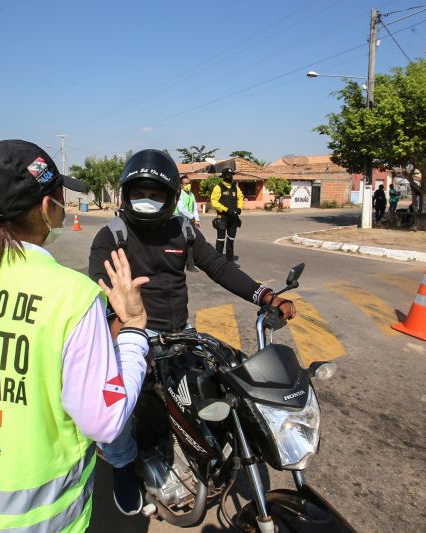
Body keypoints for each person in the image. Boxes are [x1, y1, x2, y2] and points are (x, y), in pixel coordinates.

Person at [0, 140, 150, 533]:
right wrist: (132, 330)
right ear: (47, 208)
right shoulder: (70, 296)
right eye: (60, 198)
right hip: (40, 520)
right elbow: (104, 422)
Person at [88, 149, 296, 516]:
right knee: (119, 406)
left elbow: (218, 266)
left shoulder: (183, 229)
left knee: (202, 392)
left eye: (156, 194)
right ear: (126, 194)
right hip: (133, 334)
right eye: (140, 193)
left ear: (170, 198)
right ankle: (122, 465)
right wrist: (120, 332)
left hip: (180, 332)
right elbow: (97, 291)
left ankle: (192, 454)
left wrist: (264, 295)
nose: (148, 201)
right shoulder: (112, 235)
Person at [210, 168, 244, 262]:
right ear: (224, 176)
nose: (231, 177)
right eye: (229, 175)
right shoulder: (218, 187)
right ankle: (218, 260)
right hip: (222, 217)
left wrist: (239, 208)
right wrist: (226, 209)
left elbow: (240, 197)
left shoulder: (235, 187)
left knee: (231, 239)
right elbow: (214, 202)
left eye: (232, 175)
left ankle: (230, 260)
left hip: (233, 218)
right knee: (220, 239)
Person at [174, 174, 201, 272]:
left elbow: (194, 208)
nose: (189, 185)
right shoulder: (179, 194)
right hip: (178, 218)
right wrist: (192, 217)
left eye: (189, 183)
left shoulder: (191, 194)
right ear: (181, 185)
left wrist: (196, 219)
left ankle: (190, 264)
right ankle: (185, 264)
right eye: (186, 183)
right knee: (186, 240)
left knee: (190, 241)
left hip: (188, 220)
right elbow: (181, 209)